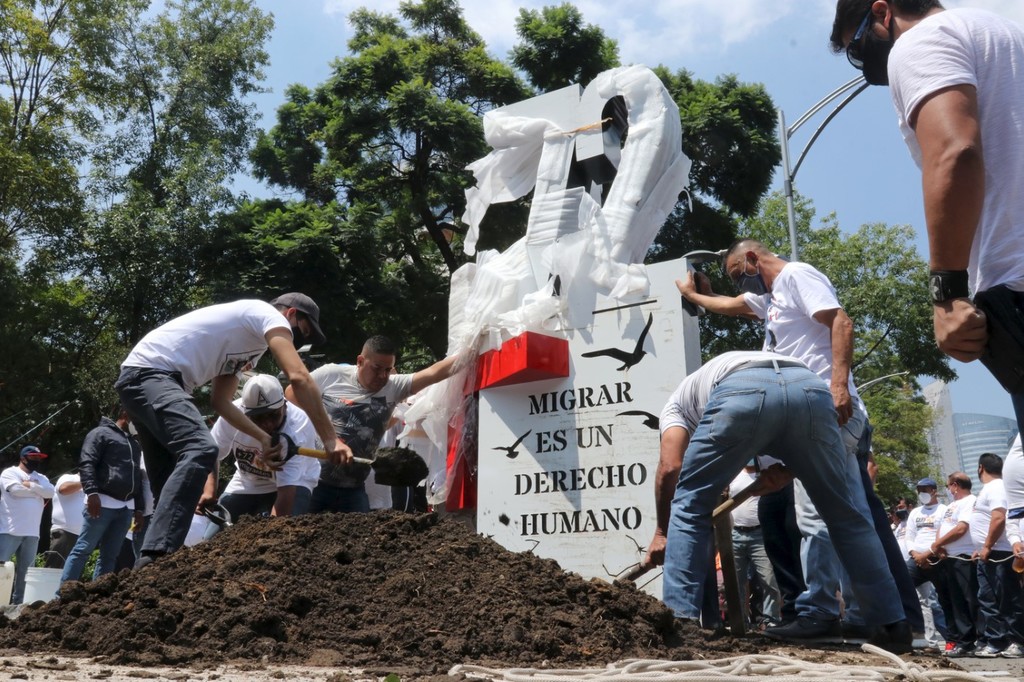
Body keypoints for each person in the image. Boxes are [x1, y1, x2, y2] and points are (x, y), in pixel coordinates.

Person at [677, 240, 920, 640]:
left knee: (821, 518)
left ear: (753, 258)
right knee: (849, 516)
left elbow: (840, 321)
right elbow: (732, 304)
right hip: (816, 414)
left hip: (828, 409)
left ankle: (823, 610)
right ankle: (872, 615)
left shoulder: (795, 276)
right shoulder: (772, 300)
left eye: (741, 271)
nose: (744, 282)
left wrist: (838, 386)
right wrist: (695, 295)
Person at [830, 1, 1024, 428]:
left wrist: (948, 292)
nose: (863, 61)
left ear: (883, 13)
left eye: (858, 46)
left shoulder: (918, 41)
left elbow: (955, 152)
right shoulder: (1004, 34)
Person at [644, 350, 912, 653]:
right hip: (809, 388)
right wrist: (785, 472)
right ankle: (893, 625)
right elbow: (798, 449)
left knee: (689, 505)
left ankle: (679, 623)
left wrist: (662, 533)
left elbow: (670, 468)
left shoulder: (675, 407)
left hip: (742, 389)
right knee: (845, 516)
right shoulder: (714, 385)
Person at [116, 293, 352, 567]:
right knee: (202, 449)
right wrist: (331, 439)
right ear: (291, 314)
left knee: (170, 481)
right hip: (152, 374)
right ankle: (160, 556)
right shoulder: (266, 315)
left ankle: (149, 566)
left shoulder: (250, 346)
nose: (296, 340)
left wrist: (263, 438)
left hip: (146, 382)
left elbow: (221, 402)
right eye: (302, 331)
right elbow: (299, 376)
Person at [296, 336, 459, 514]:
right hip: (315, 483)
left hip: (355, 489)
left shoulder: (394, 387)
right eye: (377, 368)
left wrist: (472, 349)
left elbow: (434, 373)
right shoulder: (330, 375)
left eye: (388, 370)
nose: (382, 376)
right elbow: (292, 394)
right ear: (360, 361)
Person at [203, 374, 320, 521]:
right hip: (248, 481)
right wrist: (209, 490)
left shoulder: (296, 430)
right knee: (214, 534)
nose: (267, 424)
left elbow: (286, 493)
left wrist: (270, 535)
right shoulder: (233, 415)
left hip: (296, 482)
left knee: (284, 531)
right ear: (245, 413)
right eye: (258, 418)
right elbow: (211, 453)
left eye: (273, 416)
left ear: (284, 405)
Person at [59, 408, 145, 589]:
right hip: (102, 502)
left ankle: (98, 593)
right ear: (125, 413)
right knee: (83, 549)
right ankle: (64, 594)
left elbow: (136, 477)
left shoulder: (134, 444)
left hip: (125, 508)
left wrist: (138, 508)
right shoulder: (100, 433)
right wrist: (92, 493)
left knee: (110, 555)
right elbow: (87, 463)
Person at [969, 452, 1024, 658]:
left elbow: (999, 518)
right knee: (987, 599)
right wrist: (981, 547)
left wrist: (988, 545)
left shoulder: (997, 487)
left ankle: (1018, 641)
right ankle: (997, 640)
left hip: (1000, 553)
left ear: (981, 467)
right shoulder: (988, 489)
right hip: (987, 554)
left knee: (1008, 599)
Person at [727, 463, 782, 628]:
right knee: (736, 582)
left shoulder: (764, 475)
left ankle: (771, 620)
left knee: (770, 580)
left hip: (759, 534)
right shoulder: (733, 474)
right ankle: (740, 622)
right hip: (735, 533)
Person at [931, 472, 979, 657]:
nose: (948, 489)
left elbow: (961, 528)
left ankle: (980, 639)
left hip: (964, 557)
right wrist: (939, 545)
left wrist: (937, 544)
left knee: (971, 600)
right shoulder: (951, 506)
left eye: (948, 485)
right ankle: (965, 642)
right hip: (949, 558)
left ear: (956, 485)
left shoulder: (970, 501)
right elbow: (942, 527)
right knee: (957, 601)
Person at [0, 446, 55, 604]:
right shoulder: (10, 473)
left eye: (38, 458)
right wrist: (39, 492)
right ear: (23, 458)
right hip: (9, 530)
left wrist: (31, 486)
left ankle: (19, 604)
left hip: (32, 532)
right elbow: (15, 490)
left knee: (26, 572)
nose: (37, 460)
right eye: (33, 457)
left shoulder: (41, 477)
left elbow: (51, 493)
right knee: (2, 568)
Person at [904, 477, 949, 650]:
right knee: (901, 587)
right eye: (919, 490)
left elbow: (945, 536)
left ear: (934, 490)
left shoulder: (944, 510)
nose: (922, 493)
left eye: (925, 489)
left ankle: (953, 640)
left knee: (945, 599)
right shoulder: (915, 513)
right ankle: (915, 634)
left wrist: (927, 555)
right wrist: (916, 555)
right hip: (916, 560)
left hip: (937, 559)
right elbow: (909, 536)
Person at [44, 471, 84, 569]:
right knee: (54, 568)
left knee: (74, 571)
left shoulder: (95, 484)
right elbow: (63, 489)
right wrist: (86, 482)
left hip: (83, 535)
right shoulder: (68, 477)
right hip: (65, 531)